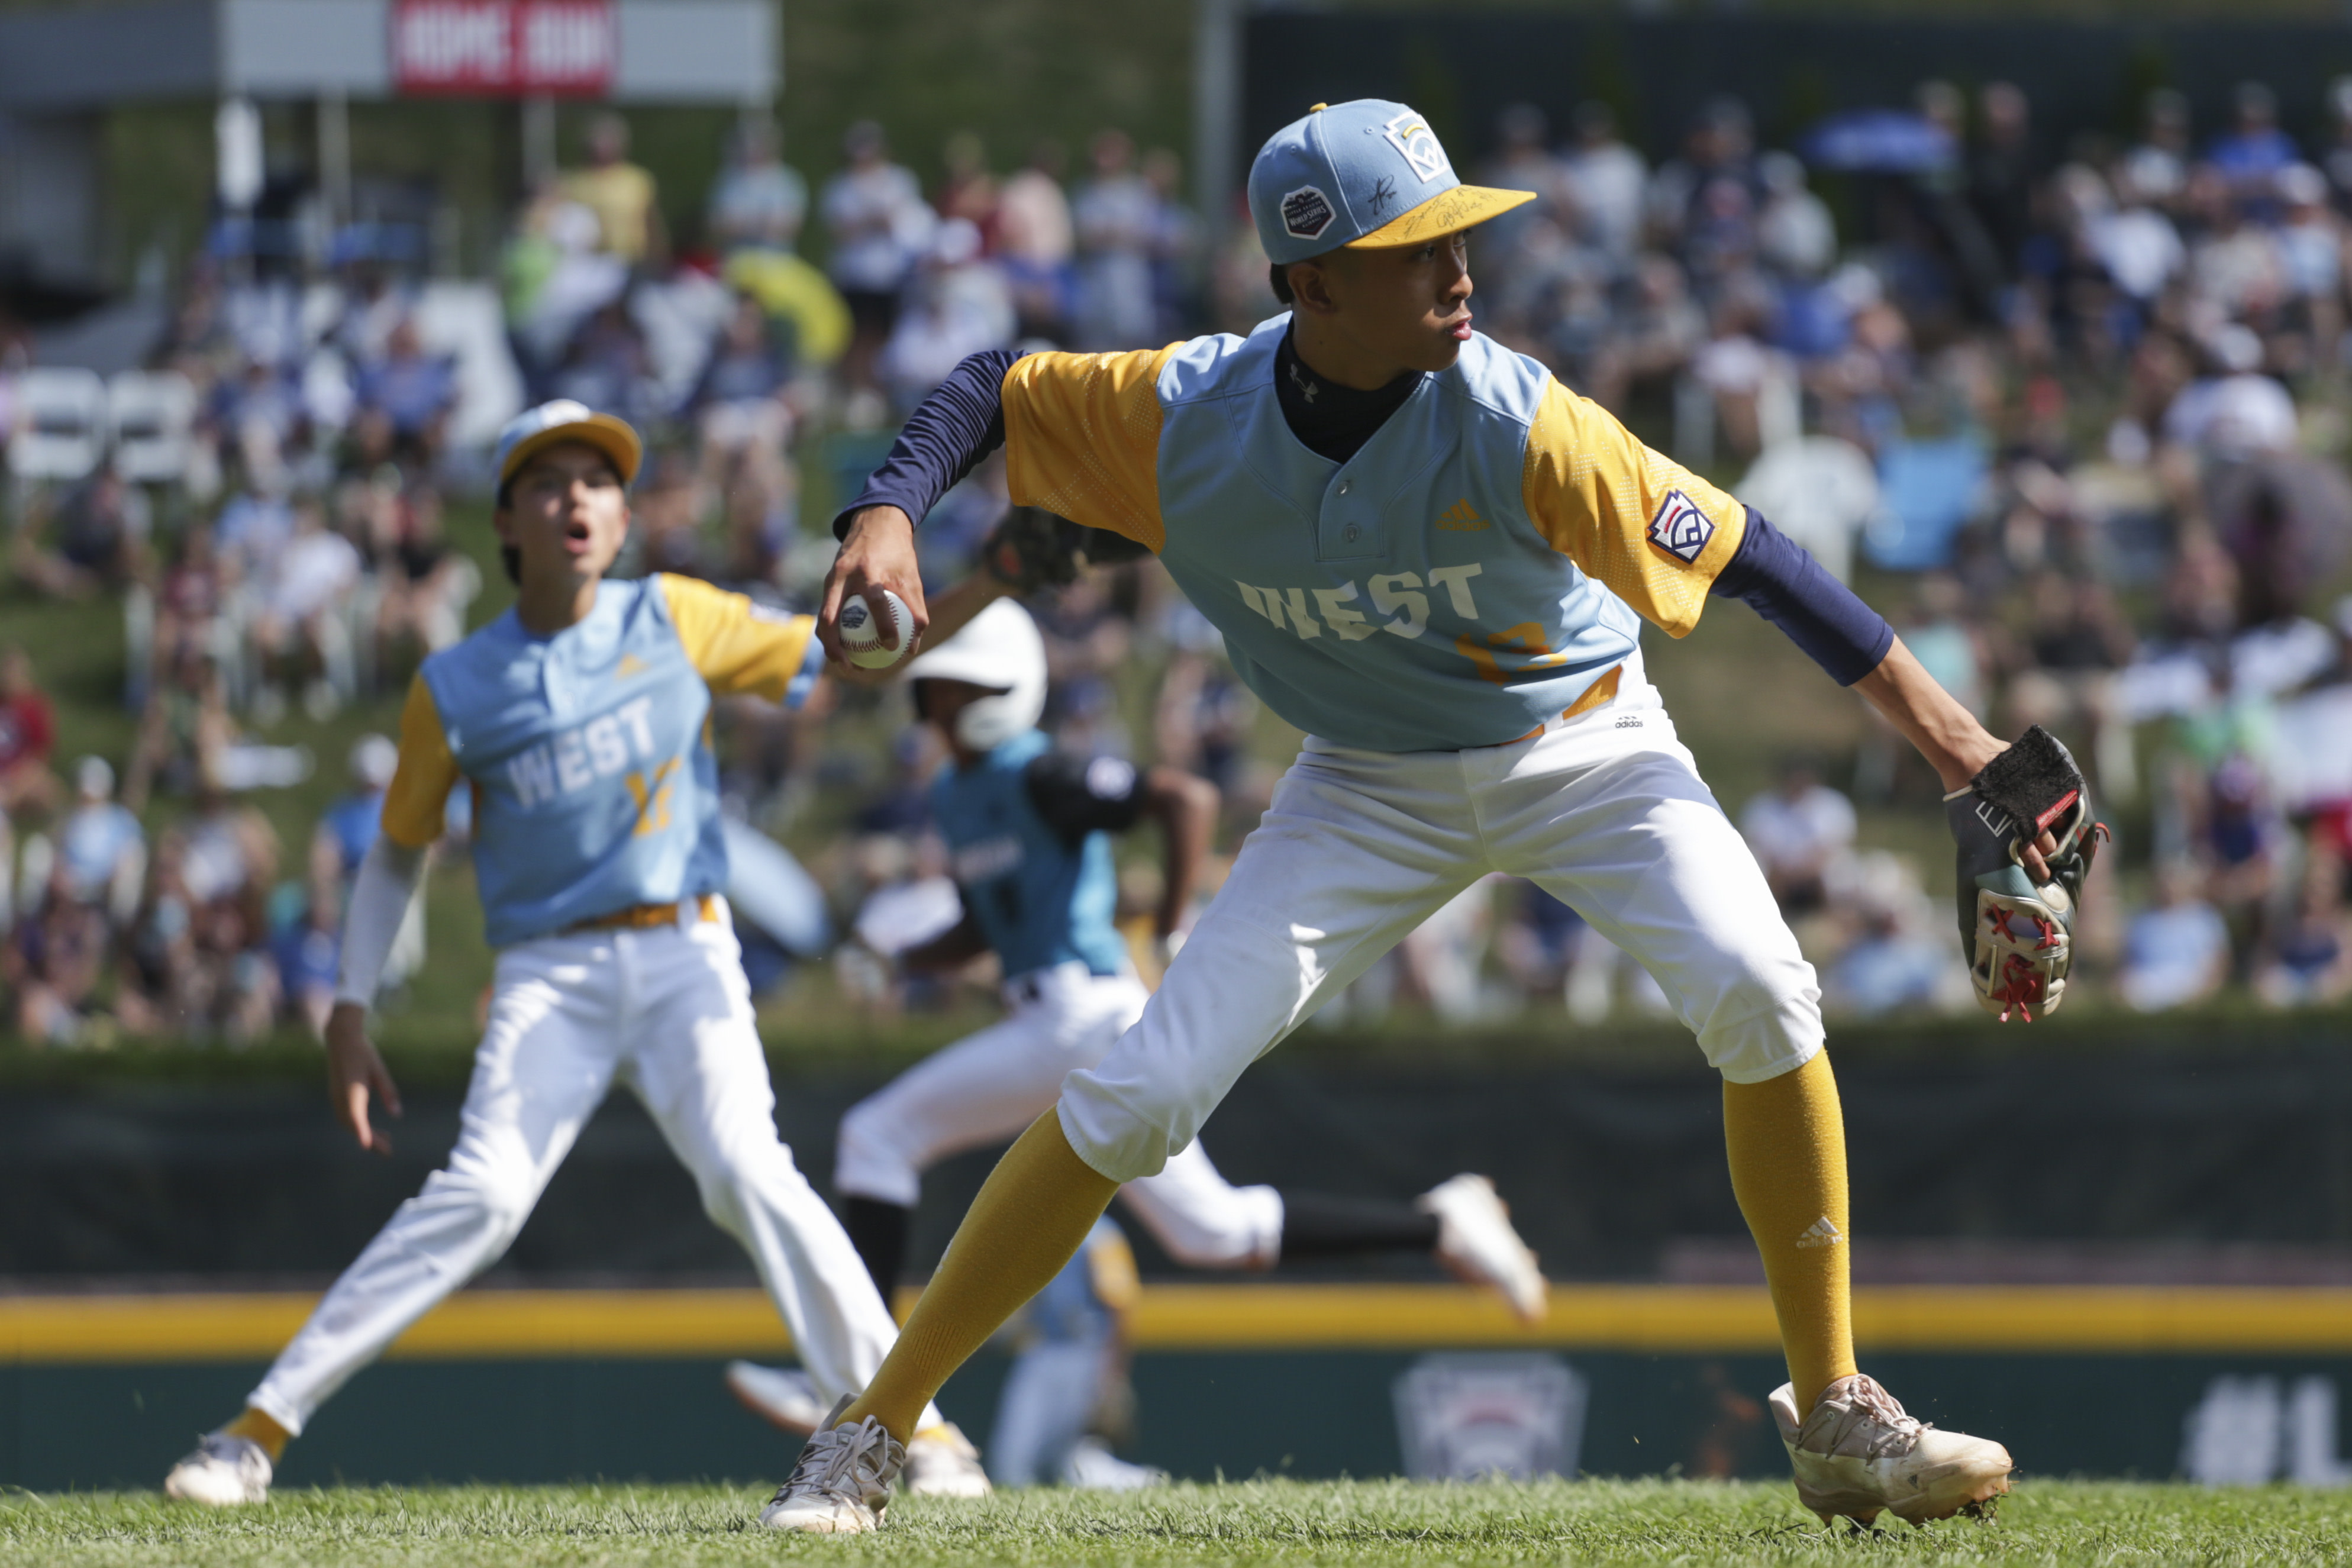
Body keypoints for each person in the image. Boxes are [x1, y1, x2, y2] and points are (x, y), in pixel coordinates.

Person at [770, 99, 2061, 1533]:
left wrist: (1961, 749)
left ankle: (1833, 1409)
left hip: (1584, 745)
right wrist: (881, 510)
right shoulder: (1186, 409)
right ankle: (871, 1430)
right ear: (1309, 284)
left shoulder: (1519, 419)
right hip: (1364, 782)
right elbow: (996, 385)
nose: (1457, 268)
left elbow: (1756, 558)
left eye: (1458, 232)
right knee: (1139, 1093)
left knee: (1762, 985)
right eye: (1414, 245)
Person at [159, 401, 996, 1508]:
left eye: (599, 480)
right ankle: (251, 1433)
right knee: (487, 1193)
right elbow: (396, 853)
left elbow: (855, 650)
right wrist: (350, 1007)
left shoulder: (675, 615)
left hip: (686, 951)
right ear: (505, 519)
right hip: (550, 973)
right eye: (550, 480)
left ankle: (920, 1427)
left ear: (622, 511)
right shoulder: (454, 684)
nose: (579, 499)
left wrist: (994, 573)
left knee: (748, 1168)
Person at [726, 603, 1546, 1438]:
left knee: (878, 1136)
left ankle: (853, 1376)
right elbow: (984, 923)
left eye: (948, 685)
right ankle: (1440, 1223)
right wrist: (907, 961)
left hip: (1088, 1013)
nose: (931, 701)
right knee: (1215, 1231)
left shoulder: (1039, 771)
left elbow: (1183, 795)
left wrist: (1170, 929)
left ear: (995, 691)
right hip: (1049, 1022)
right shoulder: (959, 788)